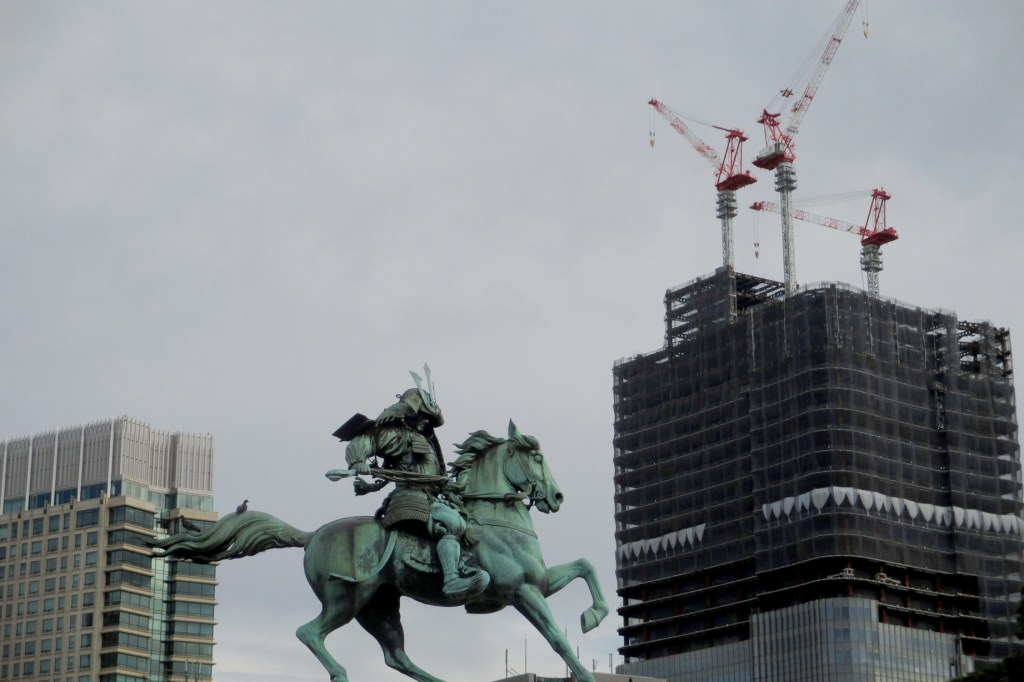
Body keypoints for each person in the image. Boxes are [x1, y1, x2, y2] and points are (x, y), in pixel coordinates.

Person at [333, 367, 488, 600]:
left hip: (431, 497)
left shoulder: (426, 440)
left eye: (429, 417)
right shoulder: (397, 436)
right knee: (452, 523)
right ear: (409, 413)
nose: (426, 420)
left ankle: (462, 565)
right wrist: (358, 461)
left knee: (468, 521)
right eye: (422, 414)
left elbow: (436, 477)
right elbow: (366, 437)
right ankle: (452, 580)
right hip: (411, 497)